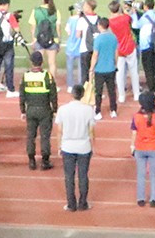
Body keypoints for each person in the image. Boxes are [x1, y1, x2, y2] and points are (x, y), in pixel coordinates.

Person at [56, 83, 95, 212]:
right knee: (83, 176)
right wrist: (92, 145)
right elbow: (91, 131)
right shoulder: (88, 110)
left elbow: (59, 131)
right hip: (84, 146)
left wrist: (58, 146)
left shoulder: (63, 109)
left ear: (72, 94)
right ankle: (83, 203)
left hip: (68, 146)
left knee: (69, 176)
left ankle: (71, 204)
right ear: (83, 95)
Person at [21, 49, 58, 170]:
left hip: (30, 109)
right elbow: (53, 95)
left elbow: (22, 95)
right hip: (45, 109)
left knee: (30, 135)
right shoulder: (47, 76)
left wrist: (22, 110)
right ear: (42, 62)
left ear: (31, 62)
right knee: (45, 136)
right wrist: (55, 109)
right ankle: (45, 161)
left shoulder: (26, 76)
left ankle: (31, 160)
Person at [130, 93, 155, 208]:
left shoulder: (136, 117)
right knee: (154, 175)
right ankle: (154, 198)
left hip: (140, 148)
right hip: (154, 148)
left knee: (141, 174)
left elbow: (134, 133)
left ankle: (141, 198)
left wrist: (132, 146)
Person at [90, 11, 121, 115]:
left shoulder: (98, 39)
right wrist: (115, 64)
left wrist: (91, 68)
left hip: (99, 69)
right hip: (111, 68)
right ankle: (113, 110)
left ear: (100, 26)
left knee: (98, 92)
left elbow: (95, 55)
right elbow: (116, 53)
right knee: (112, 91)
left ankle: (98, 111)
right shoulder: (113, 37)